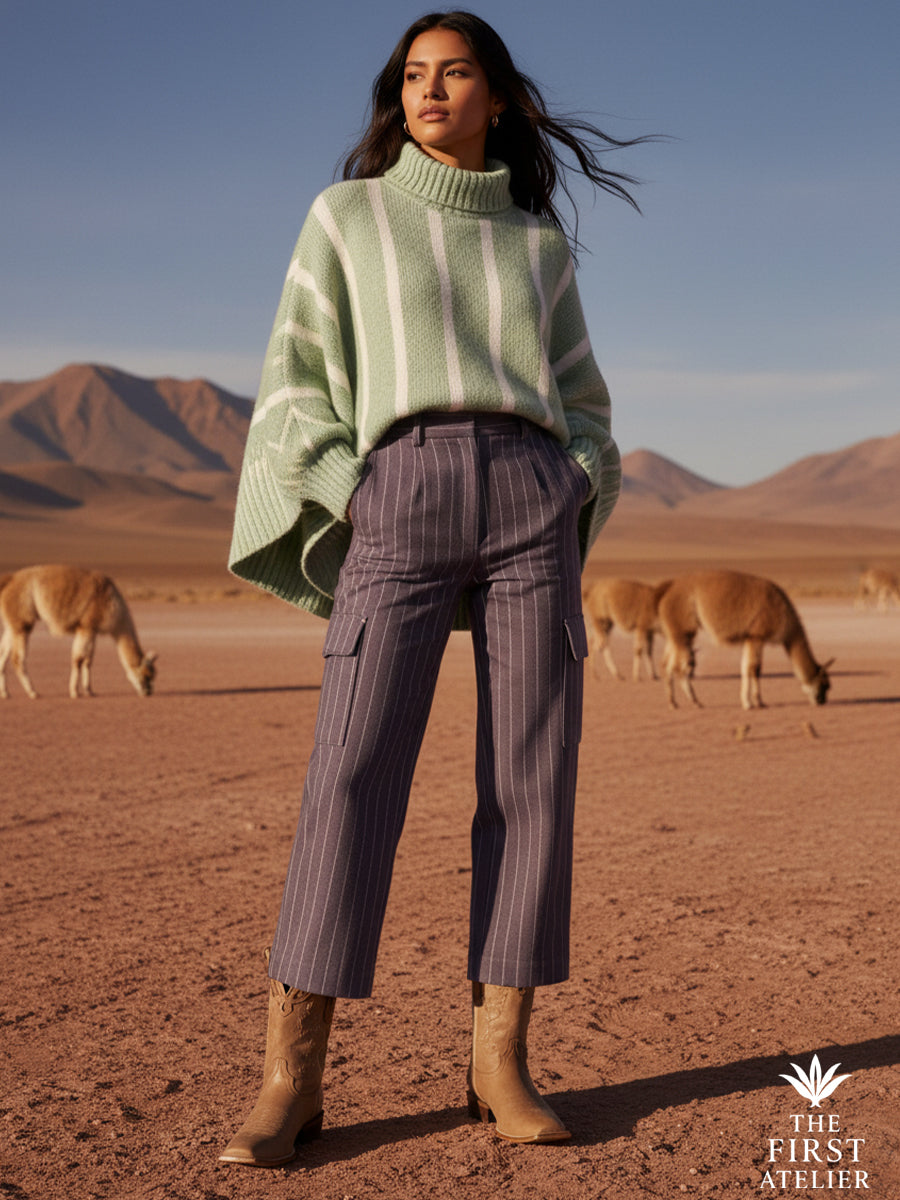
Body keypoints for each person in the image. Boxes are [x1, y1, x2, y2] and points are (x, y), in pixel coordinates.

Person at [222, 9, 648, 1167]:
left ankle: (498, 1060)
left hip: (528, 497)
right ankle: (289, 1077)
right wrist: (345, 488)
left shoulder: (535, 246)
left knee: (532, 781)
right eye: (413, 74)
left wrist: (573, 479)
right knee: (351, 775)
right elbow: (296, 373)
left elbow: (588, 404)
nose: (431, 90)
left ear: (498, 97)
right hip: (396, 490)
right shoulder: (348, 216)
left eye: (456, 73)